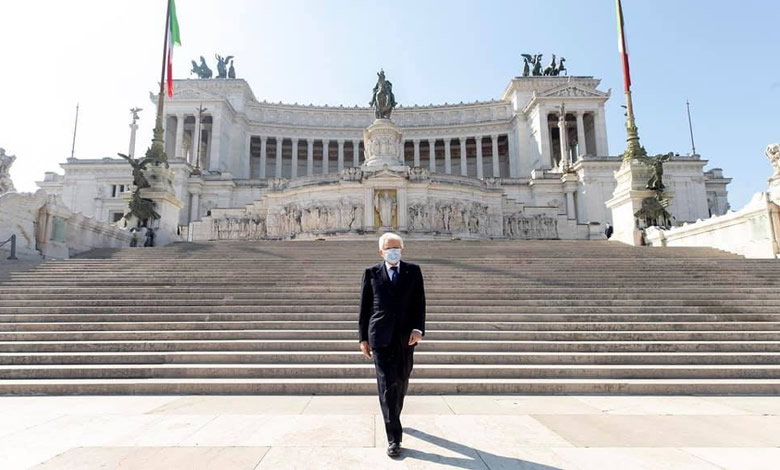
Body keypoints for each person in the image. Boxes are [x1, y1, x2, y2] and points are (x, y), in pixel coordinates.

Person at [359, 232, 426, 458]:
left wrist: (418, 329)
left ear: (402, 249)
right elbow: (364, 309)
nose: (393, 251)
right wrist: (363, 339)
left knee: (402, 380)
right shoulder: (371, 273)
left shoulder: (413, 271)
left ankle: (394, 415)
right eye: (388, 248)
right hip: (381, 337)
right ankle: (394, 438)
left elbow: (419, 302)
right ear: (381, 252)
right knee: (387, 385)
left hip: (406, 337)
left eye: (396, 247)